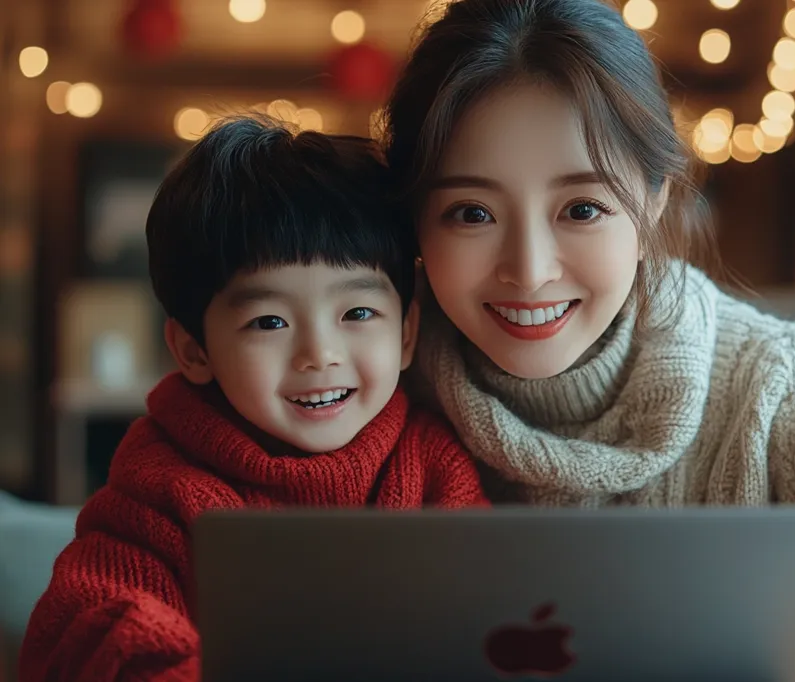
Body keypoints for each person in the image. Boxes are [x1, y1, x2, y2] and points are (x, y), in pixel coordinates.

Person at [382, 0, 795, 678]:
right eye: (471, 213)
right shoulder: (358, 397)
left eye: (583, 209)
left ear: (655, 198)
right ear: (415, 223)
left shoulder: (790, 389)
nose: (530, 270)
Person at [20, 117, 488, 682]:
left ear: (407, 333)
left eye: (357, 314)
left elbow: (484, 618)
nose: (319, 354)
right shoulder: (159, 488)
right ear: (194, 350)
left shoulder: (434, 464)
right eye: (269, 321)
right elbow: (90, 628)